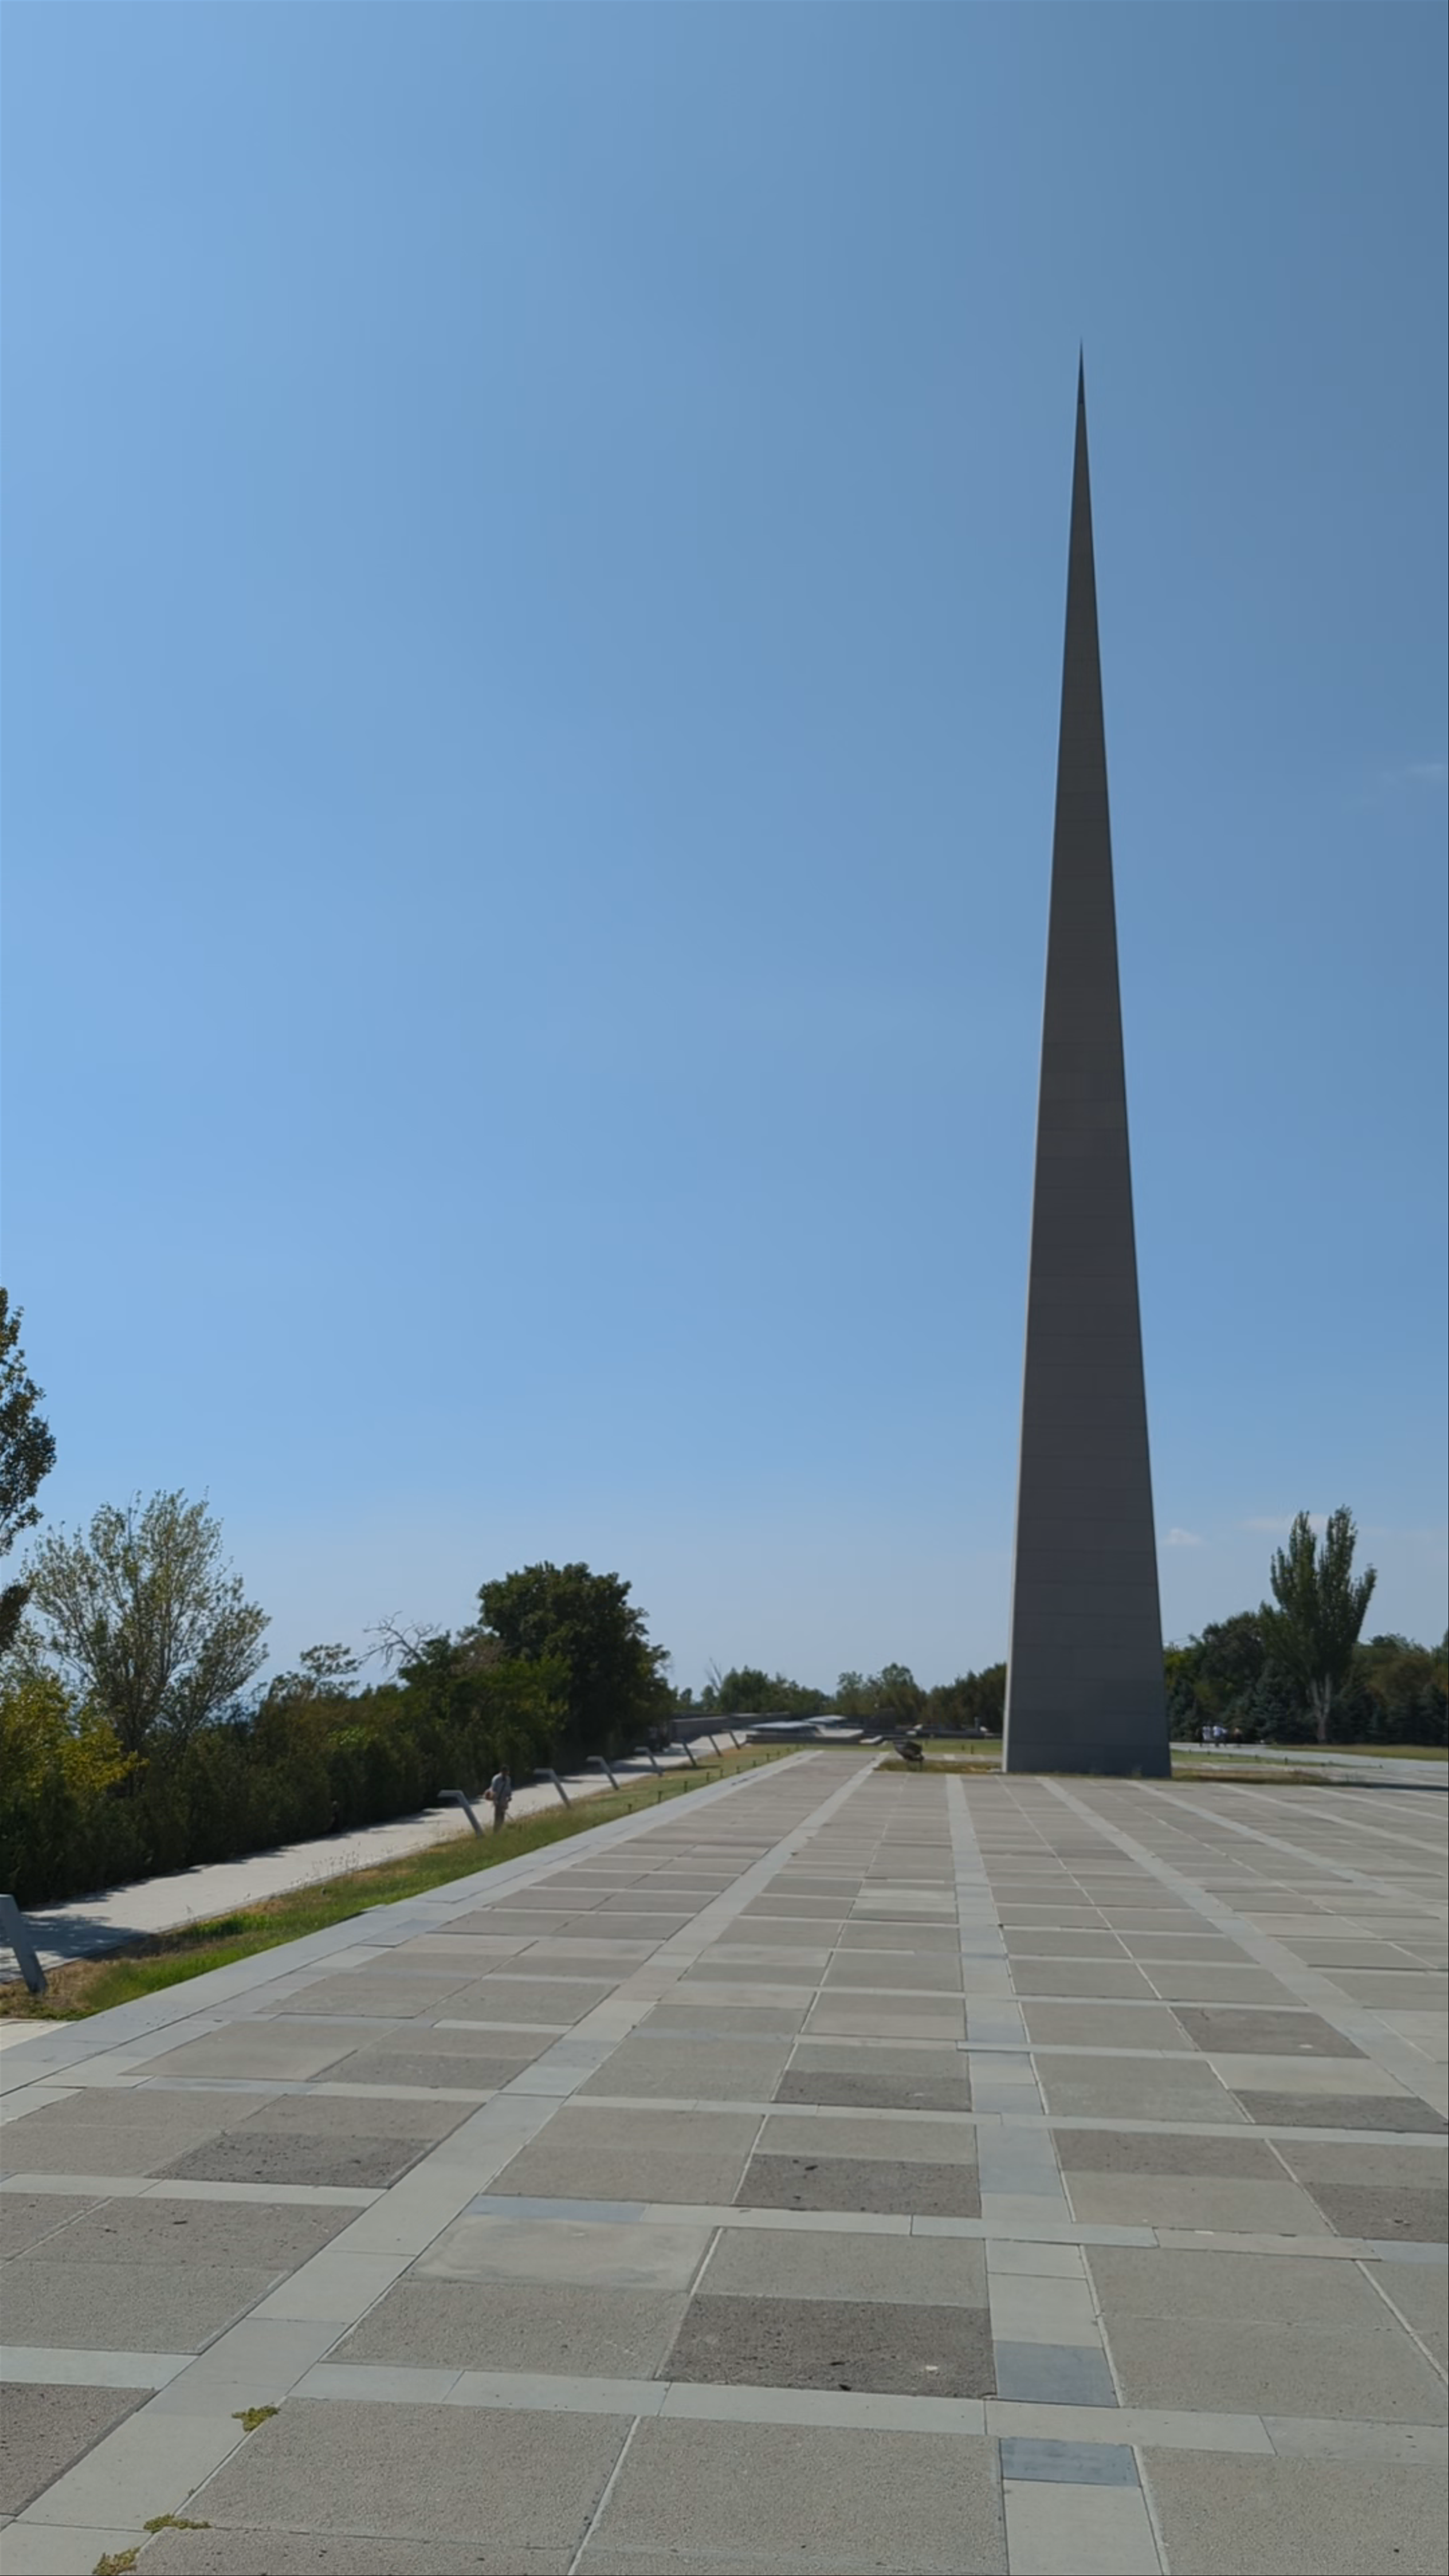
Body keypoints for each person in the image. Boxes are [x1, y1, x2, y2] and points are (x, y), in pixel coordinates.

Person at [486, 1766, 513, 1830]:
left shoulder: (508, 1779)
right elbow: (493, 1790)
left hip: (504, 1801)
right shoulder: (496, 1779)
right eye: (504, 1772)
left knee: (502, 1816)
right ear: (502, 1772)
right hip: (498, 1800)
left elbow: (508, 1789)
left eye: (507, 1772)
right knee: (497, 1817)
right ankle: (496, 1831)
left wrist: (509, 1797)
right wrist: (495, 1800)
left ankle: (500, 1829)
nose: (506, 1774)